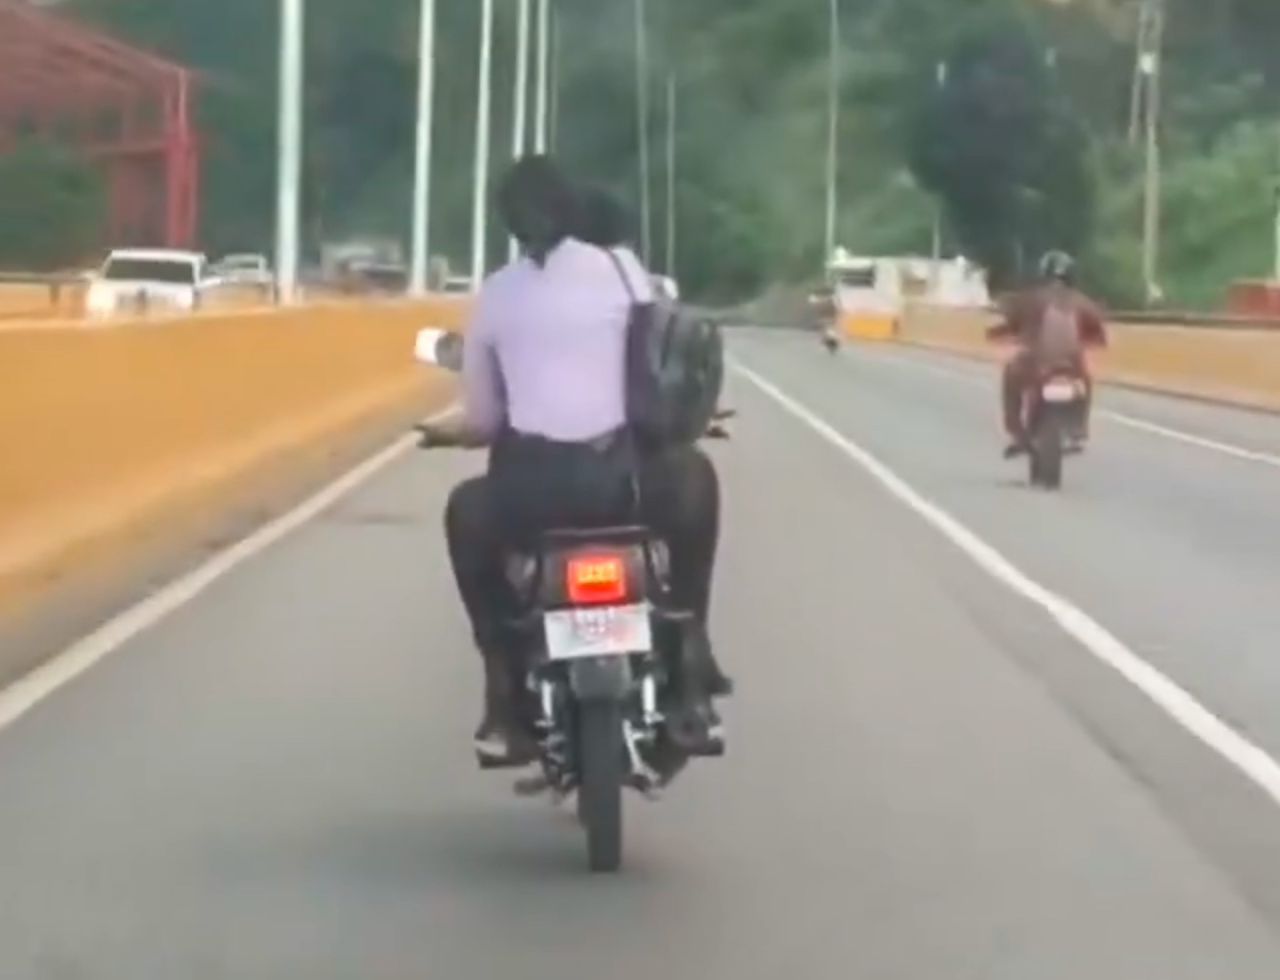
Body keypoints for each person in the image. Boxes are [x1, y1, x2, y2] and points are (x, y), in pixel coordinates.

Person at [420, 158, 725, 764]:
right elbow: (660, 366)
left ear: (510, 223)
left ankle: (504, 686)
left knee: (465, 513)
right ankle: (691, 657)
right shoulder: (623, 270)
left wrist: (450, 434)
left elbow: (482, 419)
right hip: (627, 485)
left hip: (532, 496)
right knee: (697, 481)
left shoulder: (498, 295)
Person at [988, 250, 1107, 457]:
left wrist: (1000, 333)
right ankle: (1078, 429)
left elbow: (1011, 324)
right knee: (1085, 381)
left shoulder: (1030, 298)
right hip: (1071, 364)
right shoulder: (1082, 301)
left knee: (1010, 374)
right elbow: (1098, 334)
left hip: (1034, 362)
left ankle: (1016, 430)